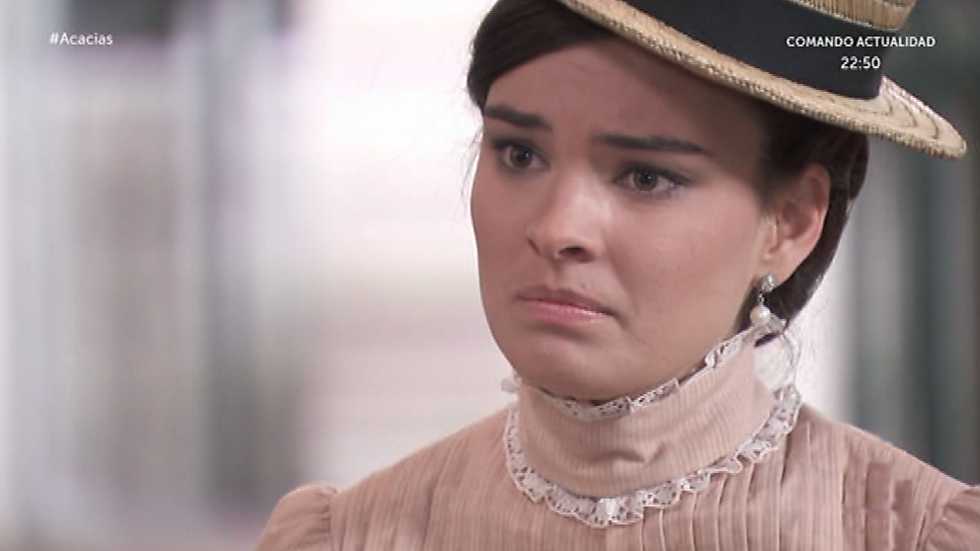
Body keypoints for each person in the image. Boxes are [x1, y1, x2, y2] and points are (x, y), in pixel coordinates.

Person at [256, 0, 980, 548]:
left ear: (790, 222)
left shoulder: (909, 533)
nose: (557, 229)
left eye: (644, 176)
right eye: (519, 155)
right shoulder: (356, 535)